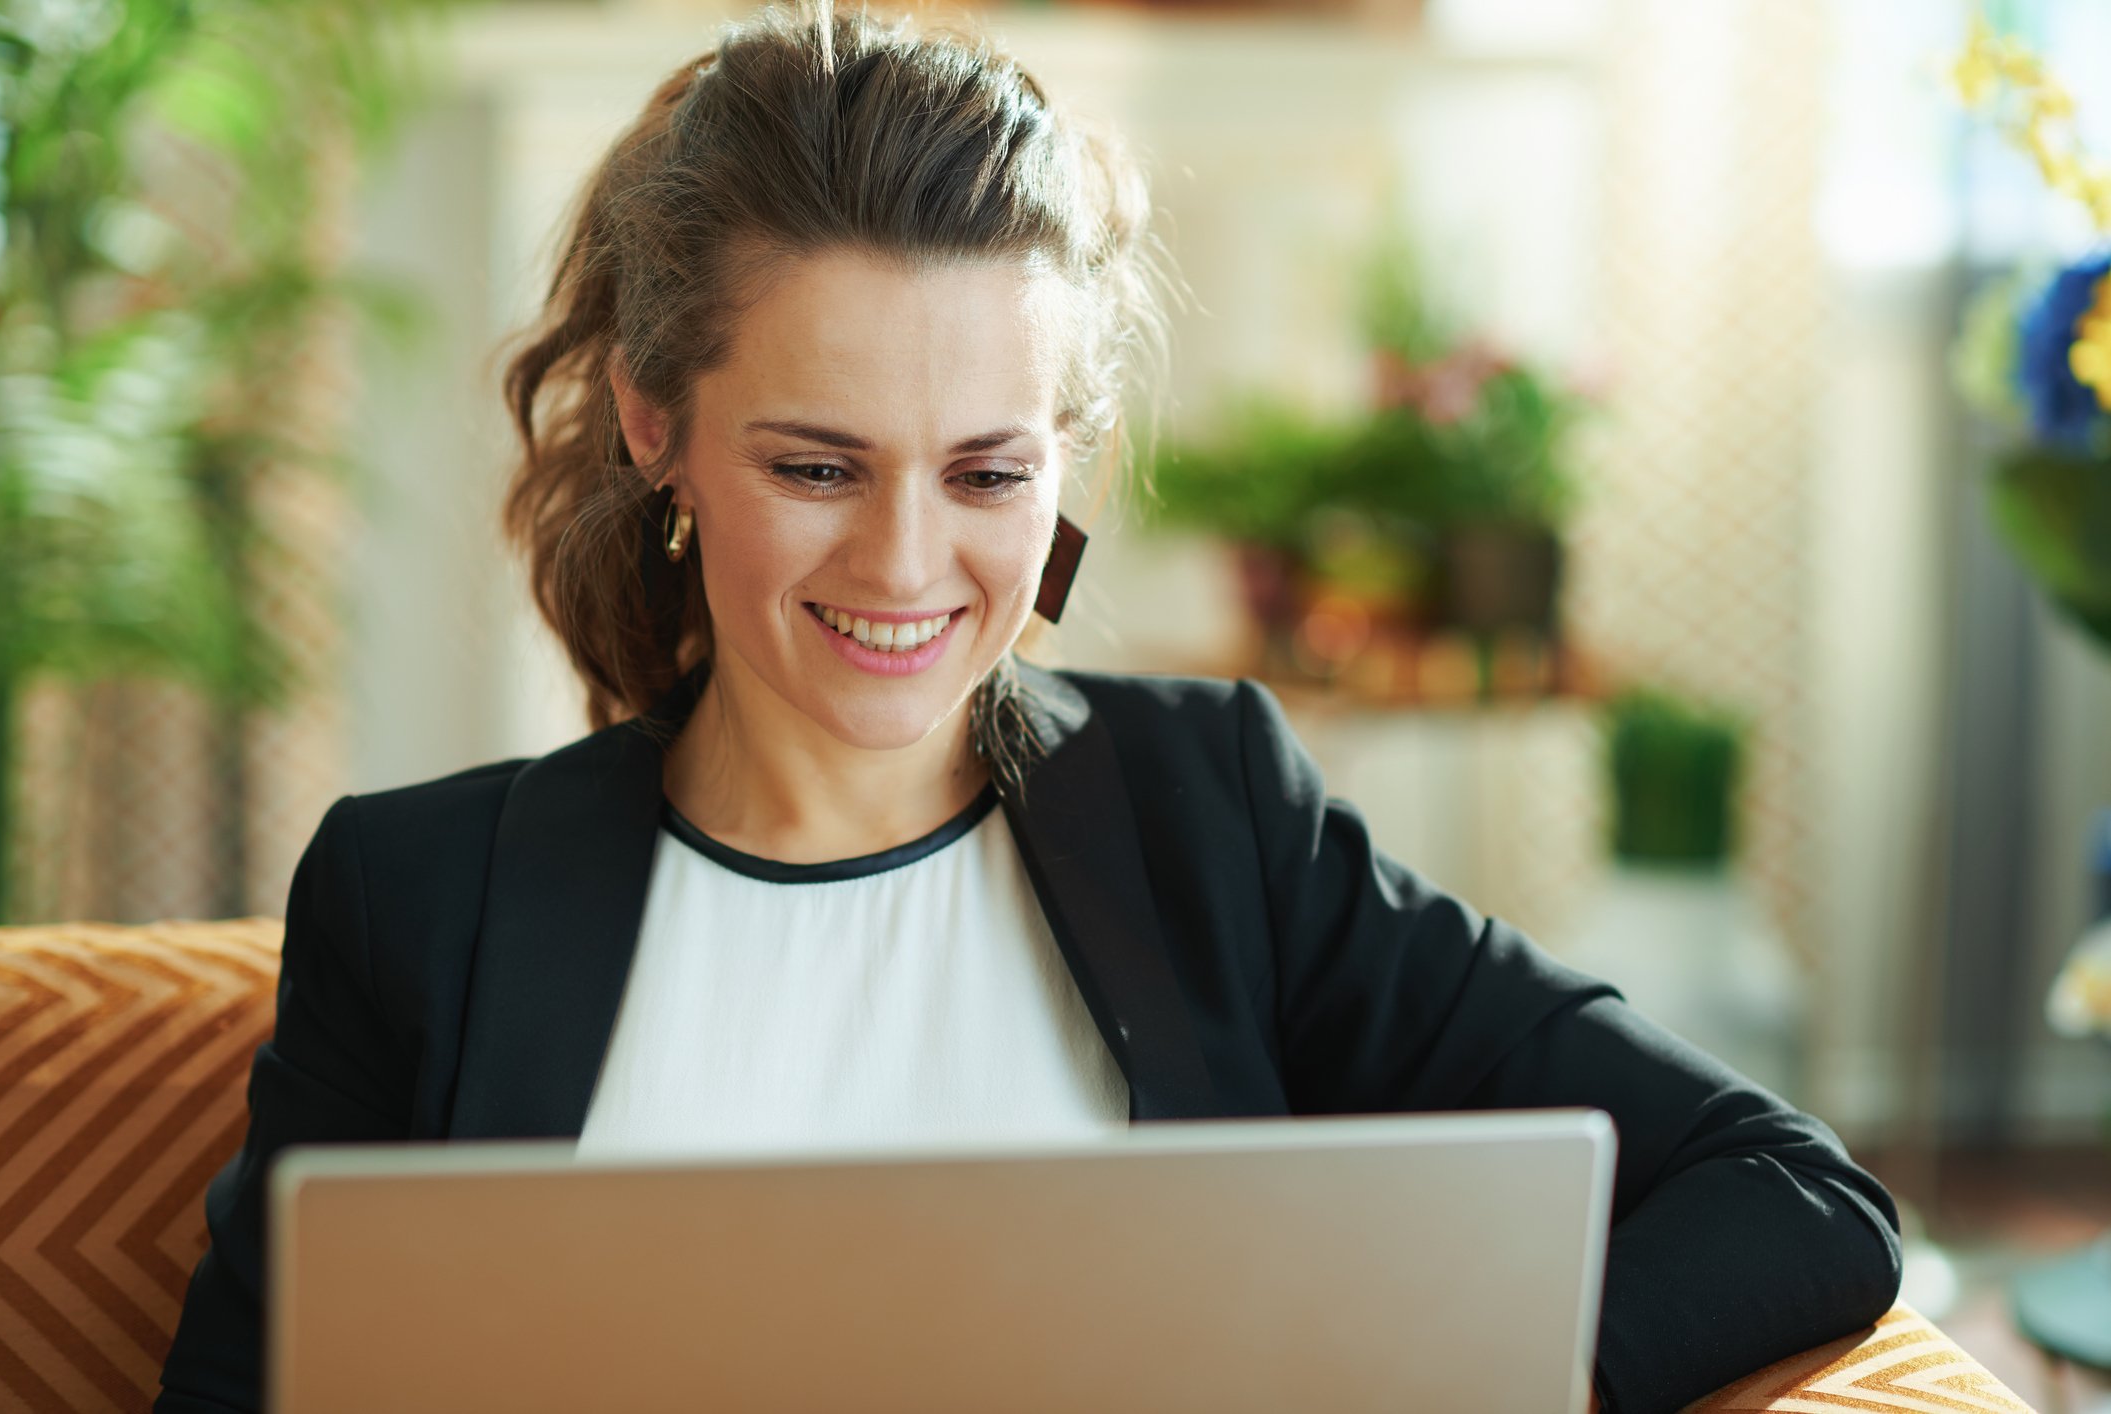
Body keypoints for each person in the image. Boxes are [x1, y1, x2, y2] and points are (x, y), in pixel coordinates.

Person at [154, 5, 1902, 1412]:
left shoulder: (1208, 813)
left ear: (1067, 454)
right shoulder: (420, 895)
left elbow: (1793, 1196)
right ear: (650, 422)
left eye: (987, 470)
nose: (910, 565)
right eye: (818, 462)